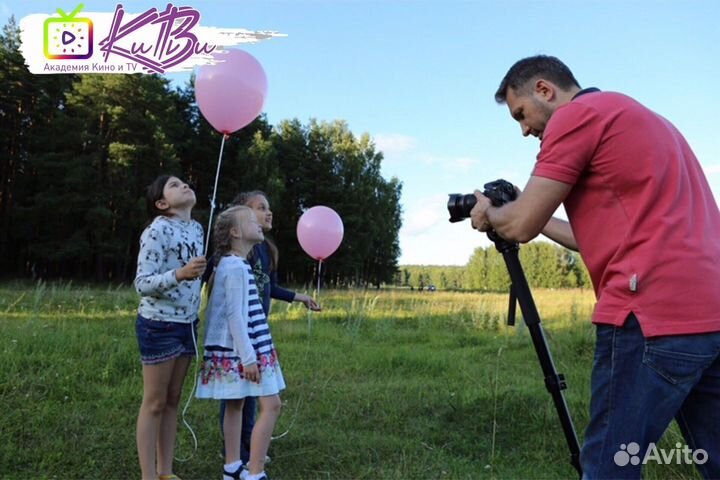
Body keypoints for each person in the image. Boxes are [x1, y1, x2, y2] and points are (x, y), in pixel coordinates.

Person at [470, 55, 720, 479]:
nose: (524, 129)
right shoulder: (640, 118)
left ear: (545, 90)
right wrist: (524, 211)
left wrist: (489, 213)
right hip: (708, 315)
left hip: (650, 315)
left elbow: (519, 225)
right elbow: (587, 238)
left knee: (609, 465)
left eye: (522, 114)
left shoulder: (578, 117)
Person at [215, 191, 320, 465]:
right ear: (240, 219)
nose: (268, 212)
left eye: (268, 208)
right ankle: (235, 450)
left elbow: (269, 287)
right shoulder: (236, 257)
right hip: (241, 330)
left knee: (251, 392)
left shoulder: (264, 249)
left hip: (257, 327)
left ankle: (248, 445)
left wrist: (301, 298)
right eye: (260, 208)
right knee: (238, 394)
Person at [196, 205, 285, 480]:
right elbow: (235, 315)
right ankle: (255, 472)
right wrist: (249, 357)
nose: (258, 222)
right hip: (244, 353)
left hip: (242, 349)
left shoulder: (232, 264)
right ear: (235, 232)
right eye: (249, 219)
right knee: (272, 405)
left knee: (235, 405)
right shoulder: (235, 266)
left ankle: (232, 467)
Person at [134, 174, 207, 480]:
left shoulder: (197, 228)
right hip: (159, 325)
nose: (185, 185)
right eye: (174, 185)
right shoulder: (157, 230)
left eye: (185, 182)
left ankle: (165, 471)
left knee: (173, 398)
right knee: (154, 402)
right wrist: (179, 274)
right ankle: (148, 476)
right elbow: (142, 284)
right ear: (162, 203)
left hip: (187, 324)